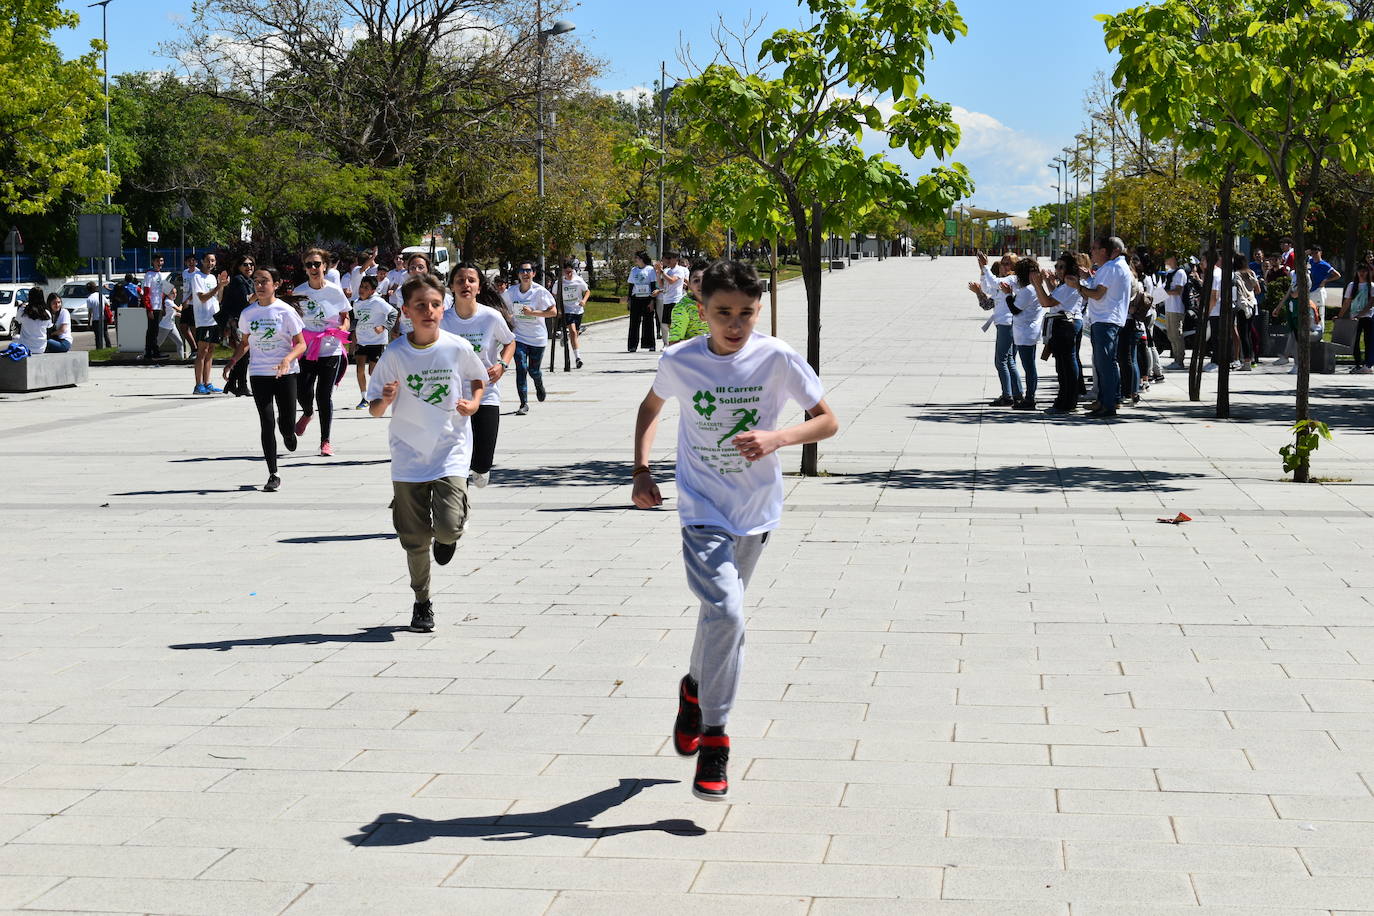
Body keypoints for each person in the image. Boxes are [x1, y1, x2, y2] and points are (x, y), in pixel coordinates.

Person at [631, 260, 839, 801]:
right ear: (701, 311)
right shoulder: (680, 359)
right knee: (727, 610)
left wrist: (779, 438)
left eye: (746, 314)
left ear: (758, 312)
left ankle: (695, 690)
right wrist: (641, 471)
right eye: (723, 313)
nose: (735, 324)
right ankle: (716, 739)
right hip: (701, 507)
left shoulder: (776, 357)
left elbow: (827, 420)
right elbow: (650, 408)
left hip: (757, 509)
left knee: (719, 613)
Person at [367, 273, 487, 633]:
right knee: (415, 538)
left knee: (449, 527)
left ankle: (448, 538)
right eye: (420, 305)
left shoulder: (455, 347)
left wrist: (474, 403)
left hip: (449, 449)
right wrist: (385, 400)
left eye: (435, 304)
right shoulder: (395, 353)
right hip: (407, 455)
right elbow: (374, 408)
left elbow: (478, 379)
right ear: (406, 311)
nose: (429, 311)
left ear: (443, 307)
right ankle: (422, 602)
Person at [223, 266, 306, 492]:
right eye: (257, 281)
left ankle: (289, 433)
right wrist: (232, 362)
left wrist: (288, 359)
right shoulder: (249, 313)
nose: (259, 286)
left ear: (276, 285)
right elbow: (245, 343)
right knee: (266, 421)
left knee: (286, 423)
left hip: (285, 373)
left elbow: (301, 344)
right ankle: (273, 473)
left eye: (264, 281)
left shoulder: (286, 311)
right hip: (259, 373)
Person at [442, 264, 516, 487]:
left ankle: (480, 470)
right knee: (457, 462)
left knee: (483, 460)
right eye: (460, 280)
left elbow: (510, 341)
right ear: (452, 287)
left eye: (471, 280)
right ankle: (458, 508)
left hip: (486, 393)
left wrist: (502, 364)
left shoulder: (491, 317)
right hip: (453, 397)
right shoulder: (443, 320)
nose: (466, 284)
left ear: (479, 287)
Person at [292, 248, 352, 456]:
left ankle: (325, 441)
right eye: (309, 265)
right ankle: (307, 413)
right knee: (302, 391)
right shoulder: (298, 292)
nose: (313, 268)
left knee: (324, 395)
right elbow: (292, 321)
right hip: (306, 349)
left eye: (317, 264)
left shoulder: (335, 291)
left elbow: (345, 317)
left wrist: (342, 328)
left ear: (325, 266)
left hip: (330, 349)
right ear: (305, 269)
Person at [1065, 236, 1132, 419]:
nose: (1091, 252)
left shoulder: (1111, 267)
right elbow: (1102, 289)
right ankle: (1108, 400)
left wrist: (1077, 285)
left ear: (1107, 251)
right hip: (1108, 319)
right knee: (1107, 363)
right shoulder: (1115, 267)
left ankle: (1108, 405)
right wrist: (1088, 277)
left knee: (1105, 365)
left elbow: (1097, 294)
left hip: (1105, 320)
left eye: (1095, 248)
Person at [1030, 253, 1083, 414]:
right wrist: (1046, 282)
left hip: (1066, 324)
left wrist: (1038, 284)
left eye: (1061, 267)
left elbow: (1047, 302)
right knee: (1062, 365)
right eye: (1056, 266)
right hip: (1063, 323)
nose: (1058, 270)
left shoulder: (1069, 285)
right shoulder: (1065, 285)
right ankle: (1064, 399)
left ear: (1069, 269)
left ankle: (1068, 401)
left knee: (1066, 364)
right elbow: (1055, 296)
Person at [504, 260, 557, 416]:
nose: (525, 274)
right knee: (521, 368)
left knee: (533, 371)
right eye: (522, 271)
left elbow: (553, 312)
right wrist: (508, 316)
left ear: (533, 273)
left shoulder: (539, 292)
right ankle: (523, 403)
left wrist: (533, 313)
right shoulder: (511, 292)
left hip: (537, 338)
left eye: (528, 271)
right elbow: (503, 309)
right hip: (519, 337)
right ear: (518, 274)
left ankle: (538, 383)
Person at [976, 253, 1021, 406]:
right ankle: (1016, 393)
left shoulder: (1012, 279)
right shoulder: (1004, 281)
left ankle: (1008, 395)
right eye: (1003, 262)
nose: (1004, 266)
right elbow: (987, 287)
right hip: (1003, 323)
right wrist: (983, 270)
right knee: (1008, 360)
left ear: (1014, 267)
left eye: (1008, 263)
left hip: (1007, 323)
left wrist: (985, 266)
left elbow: (993, 282)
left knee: (1001, 361)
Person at [350, 275, 397, 408]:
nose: (362, 289)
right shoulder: (357, 303)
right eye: (361, 286)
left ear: (373, 290)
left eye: (366, 288)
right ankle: (364, 398)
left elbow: (393, 313)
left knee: (373, 372)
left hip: (377, 342)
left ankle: (385, 391)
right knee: (359, 370)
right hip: (362, 341)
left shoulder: (378, 302)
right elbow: (358, 320)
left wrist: (384, 327)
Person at [219, 255, 256, 396]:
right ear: (239, 267)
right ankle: (241, 385)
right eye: (245, 264)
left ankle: (232, 383)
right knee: (243, 354)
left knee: (243, 354)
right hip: (235, 321)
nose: (249, 267)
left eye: (251, 264)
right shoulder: (239, 280)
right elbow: (247, 299)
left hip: (242, 321)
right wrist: (260, 294)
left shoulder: (249, 281)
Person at [191, 253, 226, 394]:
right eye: (208, 260)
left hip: (214, 318)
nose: (210, 263)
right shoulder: (197, 277)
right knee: (202, 351)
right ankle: (198, 384)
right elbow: (203, 298)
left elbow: (218, 299)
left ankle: (207, 382)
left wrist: (221, 286)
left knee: (210, 351)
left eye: (213, 260)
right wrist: (218, 286)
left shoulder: (212, 277)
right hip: (203, 319)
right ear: (202, 262)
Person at [1339, 263, 1374, 373]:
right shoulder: (1352, 285)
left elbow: (1371, 302)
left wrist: (1362, 313)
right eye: (1360, 271)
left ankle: (1368, 364)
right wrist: (1340, 315)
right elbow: (1347, 301)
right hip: (1354, 318)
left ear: (1368, 272)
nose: (1362, 273)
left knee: (1369, 341)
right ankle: (1358, 364)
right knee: (1355, 341)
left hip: (1368, 317)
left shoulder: (1371, 286)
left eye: (1364, 271)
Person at [669, 259, 711, 345]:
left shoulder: (722, 304)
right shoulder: (682, 307)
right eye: (696, 280)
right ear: (690, 284)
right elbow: (674, 344)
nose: (701, 284)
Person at [558, 261, 590, 368]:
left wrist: (584, 301)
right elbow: (554, 294)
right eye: (566, 272)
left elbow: (587, 291)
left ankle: (565, 337)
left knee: (575, 334)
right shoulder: (560, 282)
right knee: (573, 332)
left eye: (570, 272)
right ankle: (578, 358)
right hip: (567, 310)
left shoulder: (578, 280)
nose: (569, 274)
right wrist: (558, 307)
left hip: (578, 310)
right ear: (563, 272)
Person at [656, 251, 689, 344]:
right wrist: (658, 272)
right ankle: (674, 342)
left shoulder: (679, 270)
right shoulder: (667, 270)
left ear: (676, 259)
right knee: (666, 324)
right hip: (666, 300)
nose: (667, 260)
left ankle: (676, 342)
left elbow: (672, 281)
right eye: (666, 258)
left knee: (674, 324)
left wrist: (662, 272)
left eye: (669, 258)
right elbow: (661, 284)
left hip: (675, 300)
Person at [627, 251, 657, 352]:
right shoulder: (633, 270)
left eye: (637, 258)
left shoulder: (650, 270)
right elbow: (631, 286)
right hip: (636, 298)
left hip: (647, 298)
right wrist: (629, 299)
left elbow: (653, 285)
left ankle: (650, 344)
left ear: (642, 259)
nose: (636, 260)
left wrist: (652, 301)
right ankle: (632, 345)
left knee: (648, 322)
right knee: (634, 323)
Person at [1162, 254, 1188, 369]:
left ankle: (1179, 360)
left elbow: (1178, 291)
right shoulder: (1169, 272)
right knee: (1171, 335)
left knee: (1177, 334)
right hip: (1169, 308)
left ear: (1173, 258)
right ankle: (1176, 359)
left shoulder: (1180, 273)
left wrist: (1164, 292)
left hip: (1176, 308)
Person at [142, 255, 169, 362]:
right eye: (158, 261)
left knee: (155, 330)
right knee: (152, 330)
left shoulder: (160, 275)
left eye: (162, 260)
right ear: (153, 262)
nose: (160, 263)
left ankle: (152, 351)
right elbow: (146, 293)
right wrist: (149, 309)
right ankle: (151, 351)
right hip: (152, 306)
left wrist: (163, 306)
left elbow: (161, 292)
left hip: (158, 306)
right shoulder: (149, 275)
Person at [14, 287, 50, 354]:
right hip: (41, 348)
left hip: (25, 347)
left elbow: (18, 320)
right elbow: (49, 326)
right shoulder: (47, 313)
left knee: (15, 337)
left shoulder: (23, 310)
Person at [178, 254, 199, 359]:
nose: (191, 263)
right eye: (189, 261)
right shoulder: (185, 273)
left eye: (193, 261)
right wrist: (183, 301)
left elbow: (196, 290)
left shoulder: (198, 274)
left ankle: (199, 349)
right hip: (185, 303)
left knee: (193, 327)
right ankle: (194, 348)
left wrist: (188, 300)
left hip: (193, 303)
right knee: (183, 327)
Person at [83, 281, 105, 350]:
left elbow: (90, 312)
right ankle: (108, 346)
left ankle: (99, 348)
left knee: (97, 336)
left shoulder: (89, 299)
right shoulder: (101, 295)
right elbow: (107, 304)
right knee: (105, 334)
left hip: (96, 319)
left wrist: (88, 322)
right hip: (103, 318)